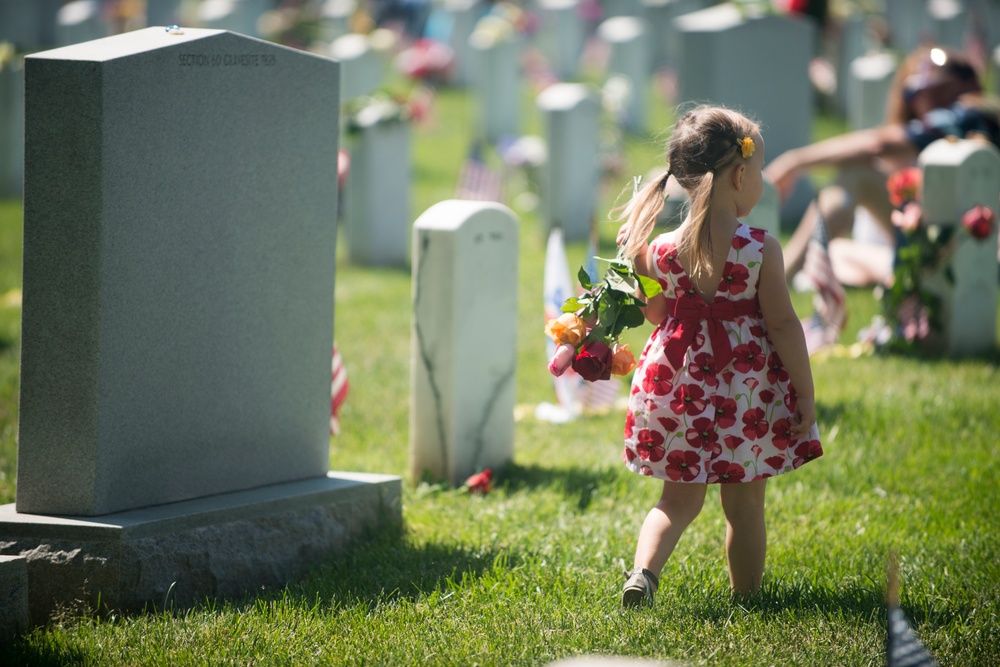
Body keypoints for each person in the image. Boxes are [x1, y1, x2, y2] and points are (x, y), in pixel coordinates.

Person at [613, 105, 823, 607]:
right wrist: (806, 395)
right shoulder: (759, 247)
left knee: (675, 500)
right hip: (742, 389)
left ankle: (644, 573)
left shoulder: (659, 249)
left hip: (677, 383)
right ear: (741, 174)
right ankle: (746, 600)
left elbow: (657, 313)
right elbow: (783, 324)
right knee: (746, 503)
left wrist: (634, 262)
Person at [766, 45, 1000, 287]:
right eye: (914, 93)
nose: (925, 102)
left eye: (937, 89)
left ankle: (777, 280)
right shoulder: (944, 127)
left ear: (968, 83)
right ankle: (900, 276)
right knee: (837, 248)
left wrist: (793, 162)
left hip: (979, 245)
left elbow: (878, 144)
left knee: (857, 177)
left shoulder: (973, 113)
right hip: (948, 242)